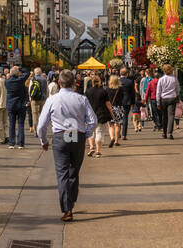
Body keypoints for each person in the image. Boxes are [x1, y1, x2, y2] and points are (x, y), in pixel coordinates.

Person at [36, 71, 98, 221]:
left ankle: (67, 208)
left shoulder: (52, 100)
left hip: (60, 135)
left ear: (59, 83)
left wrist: (43, 141)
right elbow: (93, 120)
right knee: (74, 171)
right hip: (76, 134)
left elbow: (41, 125)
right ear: (74, 84)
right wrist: (86, 134)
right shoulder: (82, 99)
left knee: (62, 173)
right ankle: (71, 200)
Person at [84, 74, 113, 157]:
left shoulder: (87, 92)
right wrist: (112, 114)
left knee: (91, 132)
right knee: (99, 132)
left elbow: (84, 104)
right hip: (101, 114)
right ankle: (98, 151)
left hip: (90, 115)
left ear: (92, 82)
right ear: (99, 82)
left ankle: (92, 147)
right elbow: (108, 104)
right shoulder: (103, 91)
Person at [4, 66, 29, 149]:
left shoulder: (7, 81)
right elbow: (27, 72)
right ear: (17, 73)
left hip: (11, 104)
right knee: (21, 124)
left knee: (11, 124)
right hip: (21, 104)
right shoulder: (20, 80)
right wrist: (20, 68)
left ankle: (11, 143)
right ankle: (21, 144)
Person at [154, 67, 180, 139]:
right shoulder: (174, 79)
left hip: (164, 99)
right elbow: (177, 88)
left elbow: (158, 92)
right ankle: (170, 133)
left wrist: (158, 102)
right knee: (171, 115)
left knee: (164, 116)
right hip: (172, 98)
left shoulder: (161, 79)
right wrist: (177, 95)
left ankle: (164, 133)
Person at [106, 74, 126, 148]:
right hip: (119, 108)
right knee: (117, 125)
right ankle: (116, 141)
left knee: (110, 125)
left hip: (110, 108)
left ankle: (112, 137)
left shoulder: (107, 89)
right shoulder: (120, 89)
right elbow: (123, 98)